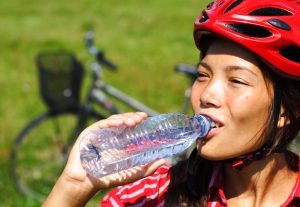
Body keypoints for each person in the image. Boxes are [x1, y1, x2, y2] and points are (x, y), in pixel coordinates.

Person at [43, 0, 300, 206]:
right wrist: (75, 184)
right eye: (203, 75)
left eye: (237, 81)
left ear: (286, 111)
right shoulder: (156, 195)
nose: (206, 95)